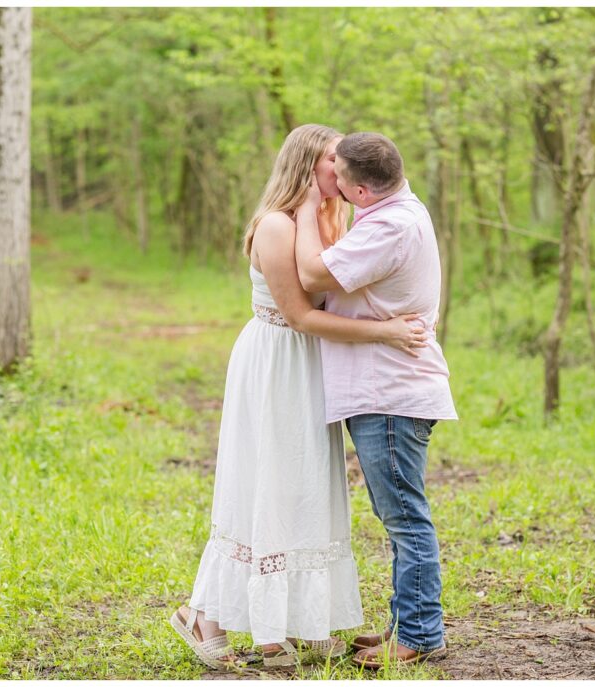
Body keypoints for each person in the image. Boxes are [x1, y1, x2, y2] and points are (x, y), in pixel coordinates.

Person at [170, 124, 429, 671]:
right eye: (332, 161)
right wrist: (387, 332)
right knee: (266, 482)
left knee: (309, 488)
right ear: (307, 167)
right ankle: (212, 616)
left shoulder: (336, 217)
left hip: (314, 363)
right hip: (277, 361)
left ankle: (302, 621)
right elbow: (300, 314)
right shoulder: (275, 225)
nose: (343, 172)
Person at [293, 131, 458, 668]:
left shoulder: (391, 226)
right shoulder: (392, 209)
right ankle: (404, 621)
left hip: (389, 392)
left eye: (338, 178)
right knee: (400, 513)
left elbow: (314, 274)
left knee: (405, 516)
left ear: (362, 190)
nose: (331, 184)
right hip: (387, 386)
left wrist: (302, 210)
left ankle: (417, 633)